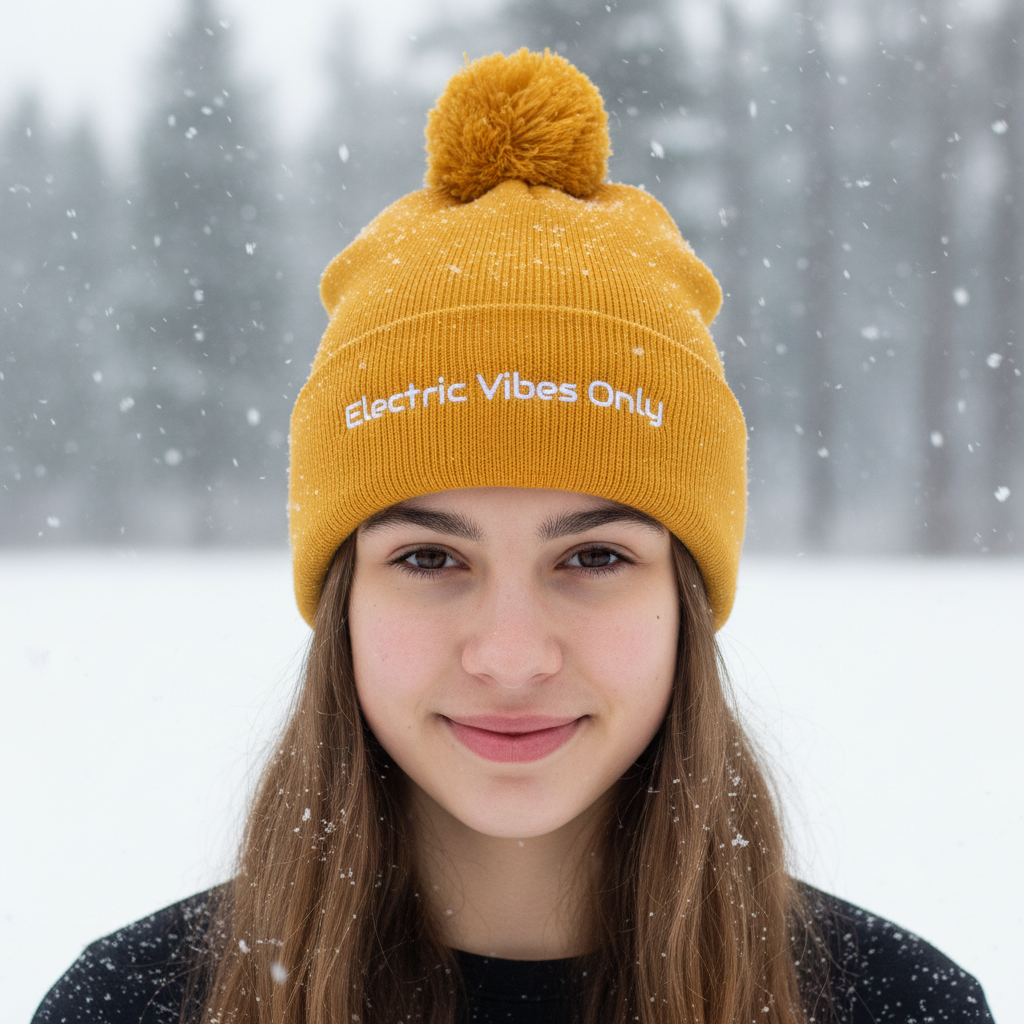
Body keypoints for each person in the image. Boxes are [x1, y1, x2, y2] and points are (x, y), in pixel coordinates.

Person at [32, 49, 993, 1024]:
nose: (509, 653)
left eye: (592, 557)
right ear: (345, 601)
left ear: (683, 600)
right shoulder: (135, 1004)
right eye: (429, 557)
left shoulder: (893, 1004)